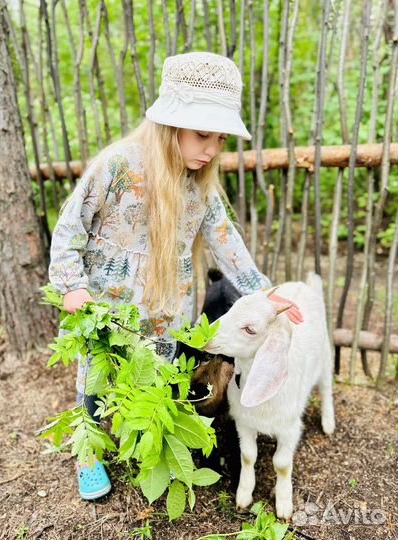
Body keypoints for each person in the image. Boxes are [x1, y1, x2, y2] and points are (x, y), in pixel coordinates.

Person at [48, 51, 303, 500]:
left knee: (161, 370)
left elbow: (228, 244)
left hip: (167, 301)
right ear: (170, 126)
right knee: (96, 376)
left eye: (220, 139)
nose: (212, 149)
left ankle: (154, 447)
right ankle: (88, 453)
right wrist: (72, 285)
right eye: (203, 134)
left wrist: (265, 292)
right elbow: (71, 225)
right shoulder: (119, 165)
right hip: (107, 302)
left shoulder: (199, 185)